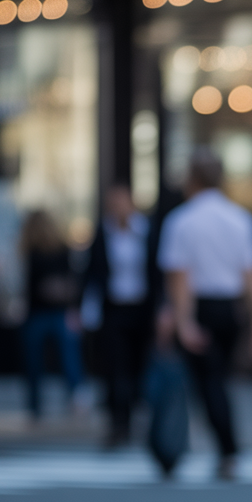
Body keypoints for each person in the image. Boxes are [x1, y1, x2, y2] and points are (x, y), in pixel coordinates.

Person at [157, 149, 252, 480]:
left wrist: (183, 321)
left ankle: (224, 450)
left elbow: (179, 278)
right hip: (230, 308)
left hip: (200, 307)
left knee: (206, 384)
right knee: (217, 380)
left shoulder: (181, 221)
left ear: (191, 179)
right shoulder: (240, 219)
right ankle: (223, 450)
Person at [82, 184, 159, 447]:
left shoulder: (147, 231)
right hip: (113, 309)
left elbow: (159, 272)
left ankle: (139, 417)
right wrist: (82, 309)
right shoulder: (103, 233)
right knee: (114, 368)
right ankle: (118, 423)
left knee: (140, 365)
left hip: (142, 309)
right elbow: (91, 273)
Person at [19, 209, 85, 419]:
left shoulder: (55, 251)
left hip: (48, 313)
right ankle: (72, 397)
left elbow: (71, 282)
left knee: (47, 357)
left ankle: (38, 403)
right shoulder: (34, 252)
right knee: (57, 355)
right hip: (45, 313)